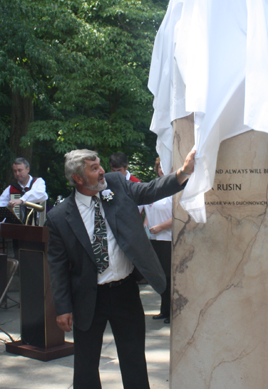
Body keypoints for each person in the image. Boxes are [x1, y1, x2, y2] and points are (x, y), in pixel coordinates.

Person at [46, 148, 195, 389]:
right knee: (86, 365)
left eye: (100, 164)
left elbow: (150, 190)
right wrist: (62, 307)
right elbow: (58, 267)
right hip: (87, 298)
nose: (102, 170)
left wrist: (183, 172)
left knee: (134, 359)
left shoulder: (116, 185)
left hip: (125, 292)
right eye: (94, 168)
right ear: (78, 179)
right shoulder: (60, 217)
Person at [143, 158, 172, 324]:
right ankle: (164, 309)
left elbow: (178, 216)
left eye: (164, 166)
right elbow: (149, 211)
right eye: (159, 167)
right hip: (153, 238)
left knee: (168, 277)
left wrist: (160, 227)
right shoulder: (154, 186)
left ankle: (171, 311)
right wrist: (146, 227)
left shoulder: (175, 190)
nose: (161, 170)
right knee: (159, 276)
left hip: (167, 239)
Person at [0, 157, 48, 223]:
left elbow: (41, 194)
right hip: (17, 228)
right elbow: (1, 204)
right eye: (15, 171)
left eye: (20, 170)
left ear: (28, 169)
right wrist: (8, 207)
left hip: (37, 226)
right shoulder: (11, 188)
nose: (17, 174)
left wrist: (21, 200)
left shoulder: (38, 182)